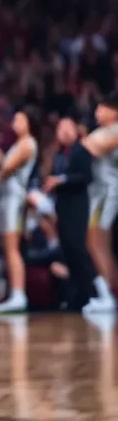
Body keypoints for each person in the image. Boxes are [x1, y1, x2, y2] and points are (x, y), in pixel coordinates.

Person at [41, 117, 97, 311]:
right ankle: (78, 296)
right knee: (68, 250)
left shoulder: (81, 151)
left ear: (75, 130)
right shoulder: (57, 155)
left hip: (77, 205)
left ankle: (93, 292)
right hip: (62, 206)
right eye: (60, 128)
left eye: (67, 128)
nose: (63, 132)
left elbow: (86, 177)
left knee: (77, 247)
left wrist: (61, 180)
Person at [0, 107, 39, 314]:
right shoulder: (19, 143)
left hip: (14, 199)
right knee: (8, 248)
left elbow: (7, 169)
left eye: (20, 119)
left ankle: (19, 294)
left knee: (12, 249)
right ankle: (15, 293)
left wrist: (0, 158)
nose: (15, 123)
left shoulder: (28, 144)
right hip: (7, 199)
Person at [80, 95, 118, 314]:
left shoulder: (113, 131)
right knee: (101, 242)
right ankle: (110, 291)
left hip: (106, 192)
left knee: (95, 241)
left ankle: (106, 295)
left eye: (103, 108)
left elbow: (89, 147)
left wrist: (82, 139)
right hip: (99, 192)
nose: (98, 112)